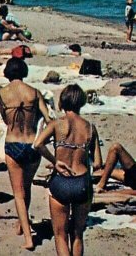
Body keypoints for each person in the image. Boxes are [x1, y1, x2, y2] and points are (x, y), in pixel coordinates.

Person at [34, 84, 100, 256]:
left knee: (60, 235)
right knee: (77, 234)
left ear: (62, 102)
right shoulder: (90, 128)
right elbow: (98, 163)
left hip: (61, 181)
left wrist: (55, 161)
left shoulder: (57, 124)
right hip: (82, 181)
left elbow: (37, 144)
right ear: (81, 103)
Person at [0, 58, 51, 250]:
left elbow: (5, 120)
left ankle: (28, 237)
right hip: (32, 145)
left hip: (13, 143)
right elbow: (48, 118)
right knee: (26, 187)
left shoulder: (2, 93)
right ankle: (21, 223)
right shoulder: (34, 93)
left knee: (18, 193)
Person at [0, 43, 81, 58]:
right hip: (44, 50)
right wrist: (80, 53)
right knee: (19, 51)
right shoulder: (65, 49)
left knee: (19, 50)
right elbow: (75, 54)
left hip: (43, 47)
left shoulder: (63, 45)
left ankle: (0, 51)